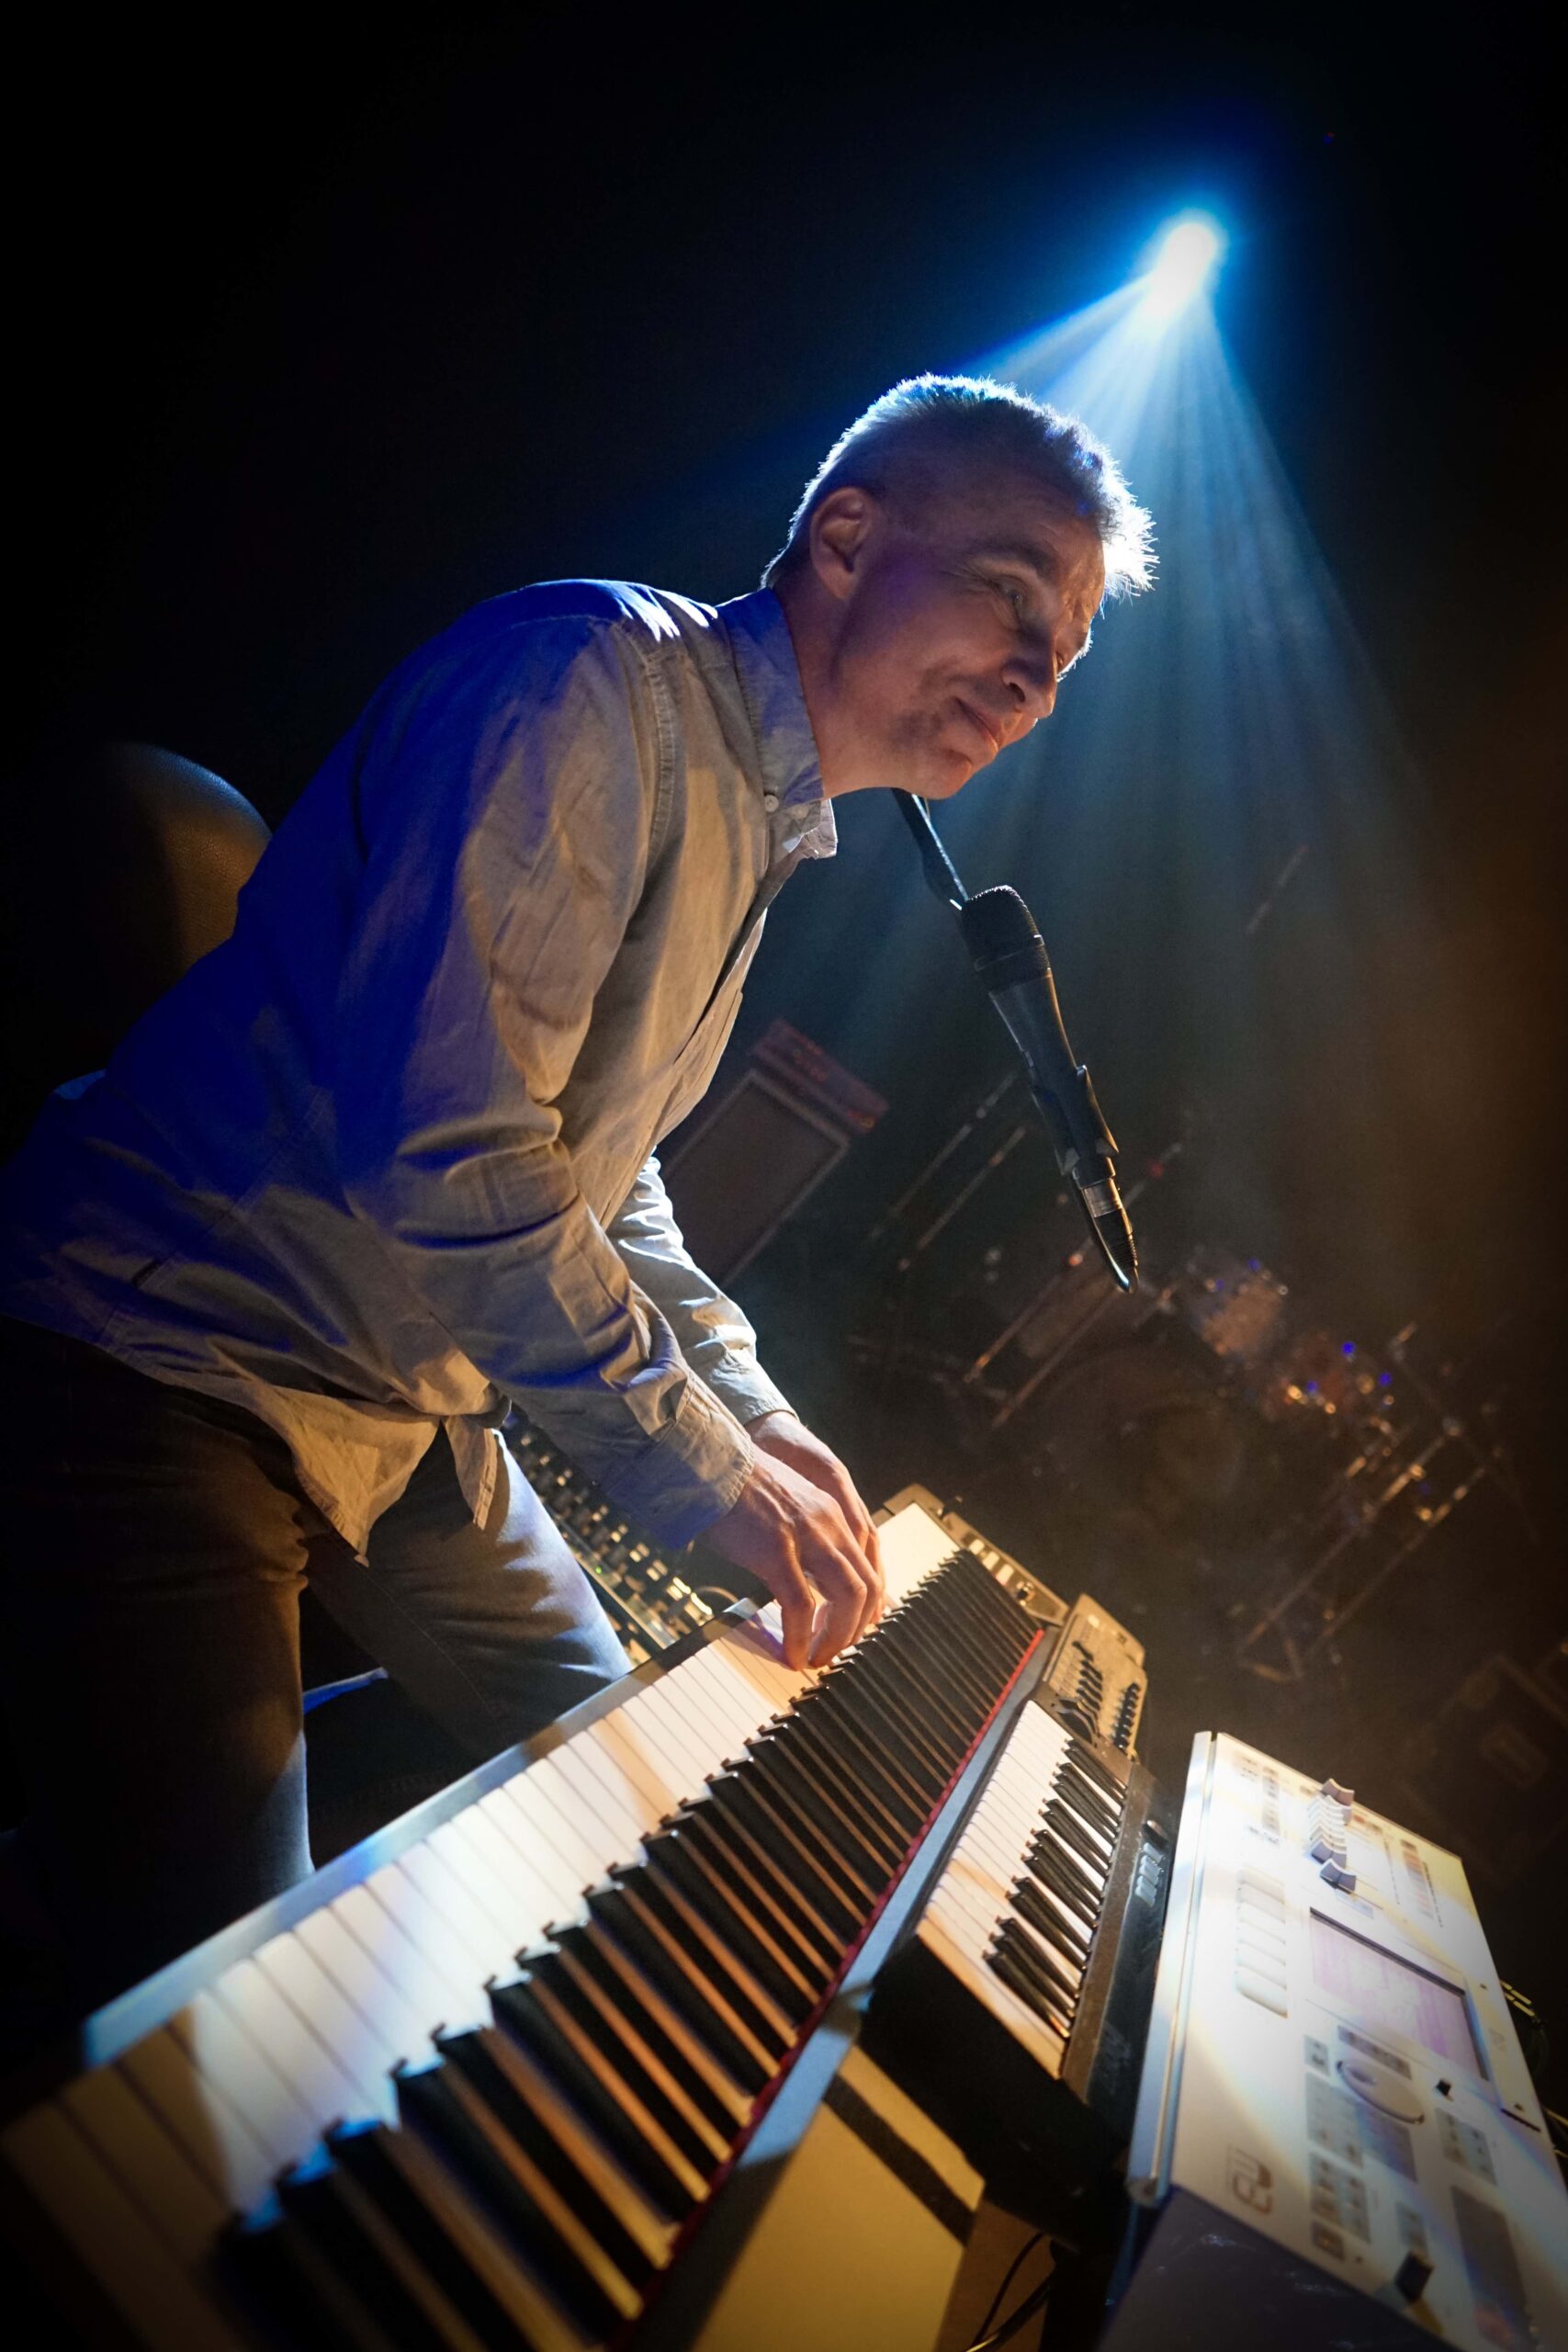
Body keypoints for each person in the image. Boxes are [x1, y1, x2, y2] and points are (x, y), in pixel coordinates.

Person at [0, 374, 1151, 2010]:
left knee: (625, 1759)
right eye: (1011, 596)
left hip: (400, 1410)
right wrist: (697, 1466)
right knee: (216, 2015)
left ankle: (93, 1859)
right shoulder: (591, 687)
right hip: (176, 1358)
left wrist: (751, 1416)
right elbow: (454, 1151)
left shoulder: (754, 809)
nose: (1037, 677)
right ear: (844, 538)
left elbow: (607, 1180)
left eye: (1070, 651)